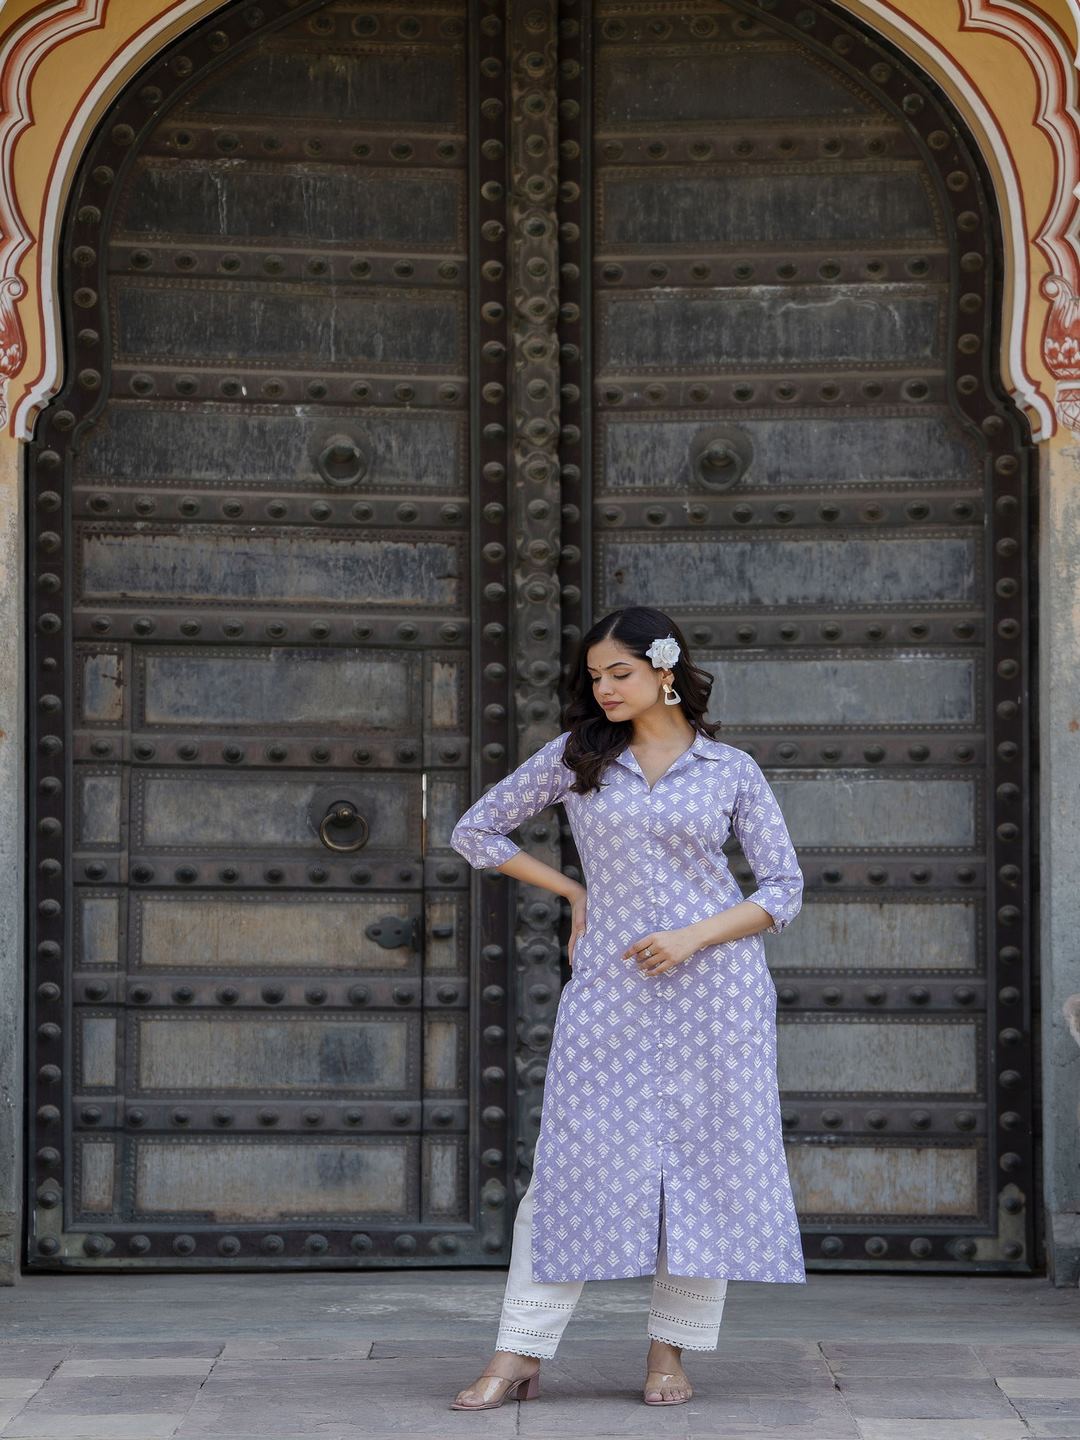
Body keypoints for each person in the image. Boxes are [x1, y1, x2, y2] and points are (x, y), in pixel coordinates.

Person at [447, 605, 806, 1410]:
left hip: (718, 994)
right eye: (595, 676)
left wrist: (692, 937)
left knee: (700, 1173)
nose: (604, 689)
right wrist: (573, 887)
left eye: (621, 673)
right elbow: (477, 830)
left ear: (664, 671)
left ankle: (668, 1355)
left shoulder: (729, 770)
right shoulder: (578, 759)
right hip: (612, 993)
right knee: (570, 1166)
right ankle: (519, 1353)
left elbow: (784, 889)